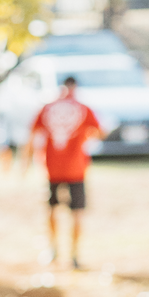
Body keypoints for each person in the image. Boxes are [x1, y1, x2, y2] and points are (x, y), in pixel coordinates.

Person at [27, 74, 103, 267]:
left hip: (53, 167)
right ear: (75, 87)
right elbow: (99, 131)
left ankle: (53, 250)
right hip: (76, 169)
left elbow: (33, 131)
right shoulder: (83, 108)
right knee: (76, 211)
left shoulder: (48, 107)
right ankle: (75, 255)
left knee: (52, 208)